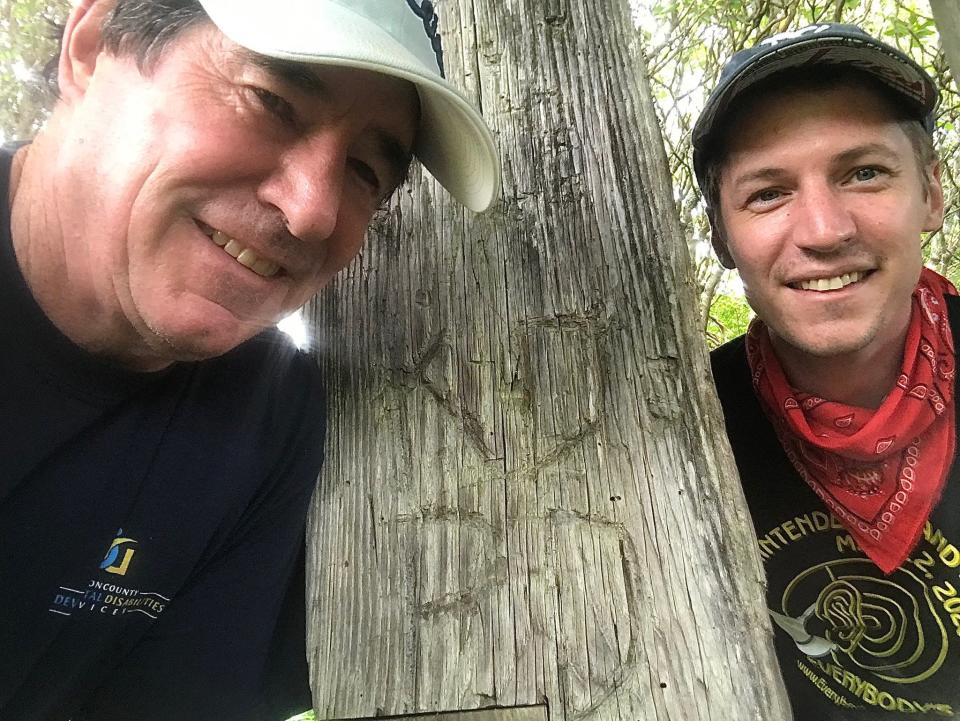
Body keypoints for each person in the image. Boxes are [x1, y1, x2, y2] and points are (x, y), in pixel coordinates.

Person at [0, 0, 499, 719]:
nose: (312, 212)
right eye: (272, 101)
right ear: (92, 43)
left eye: (364, 173)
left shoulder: (267, 420)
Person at [694, 24, 960, 719]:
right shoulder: (686, 428)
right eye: (767, 193)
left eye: (863, 172)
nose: (822, 229)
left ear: (931, 193)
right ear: (722, 237)